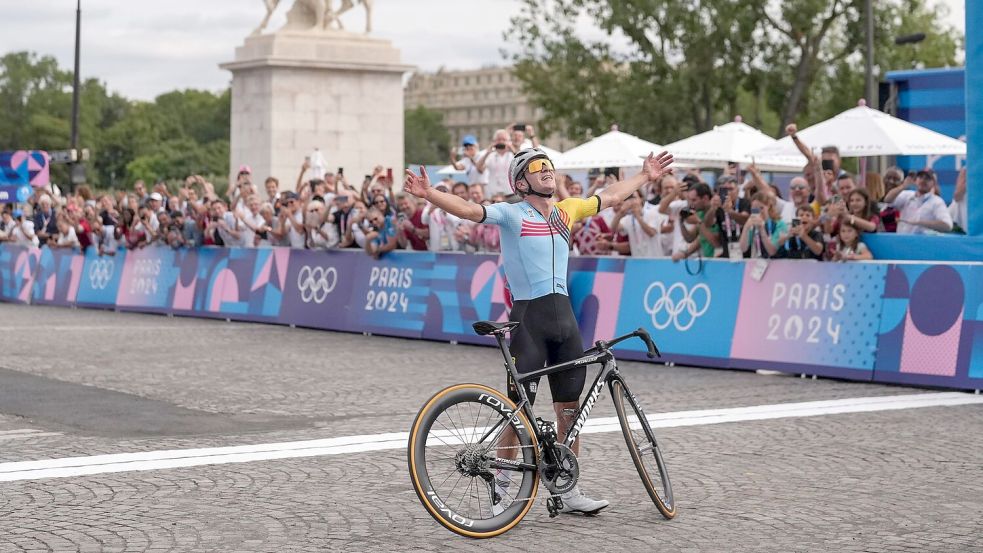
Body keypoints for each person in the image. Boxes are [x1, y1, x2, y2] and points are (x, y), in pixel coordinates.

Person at [403, 147, 675, 515]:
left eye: (549, 165)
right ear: (520, 181)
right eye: (537, 167)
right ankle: (501, 486)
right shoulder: (512, 214)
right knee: (517, 410)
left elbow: (609, 197)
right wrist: (429, 193)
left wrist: (646, 176)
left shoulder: (568, 210)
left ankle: (567, 490)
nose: (547, 170)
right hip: (528, 319)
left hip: (565, 319)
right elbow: (470, 211)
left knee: (569, 410)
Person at [882, 169, 953, 234]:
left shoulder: (937, 201)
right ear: (916, 180)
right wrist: (903, 186)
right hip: (902, 241)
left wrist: (919, 223)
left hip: (922, 243)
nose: (923, 180)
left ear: (934, 183)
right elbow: (887, 200)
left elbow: (947, 225)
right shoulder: (907, 195)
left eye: (927, 178)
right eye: (920, 177)